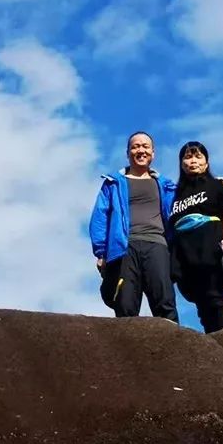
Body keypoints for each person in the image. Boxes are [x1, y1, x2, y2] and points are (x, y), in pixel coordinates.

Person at [89, 131, 179, 322]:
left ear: (153, 153)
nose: (141, 150)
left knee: (165, 302)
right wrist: (101, 252)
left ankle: (175, 348)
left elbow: (186, 205)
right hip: (124, 248)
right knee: (125, 304)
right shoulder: (113, 183)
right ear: (128, 152)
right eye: (136, 146)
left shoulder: (166, 185)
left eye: (145, 146)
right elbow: (100, 216)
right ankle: (127, 351)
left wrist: (217, 184)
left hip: (158, 246)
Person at [168, 141, 223, 334]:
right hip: (185, 250)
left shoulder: (216, 186)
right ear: (181, 164)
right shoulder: (174, 194)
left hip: (210, 244)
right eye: (188, 157)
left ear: (206, 163)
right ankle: (211, 341)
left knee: (215, 295)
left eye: (198, 156)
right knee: (200, 300)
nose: (193, 161)